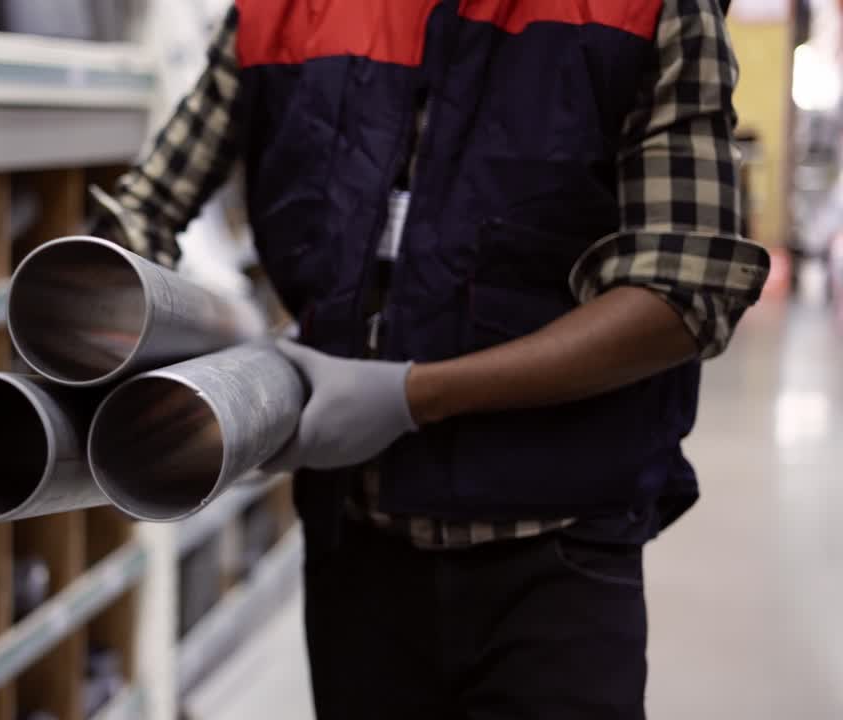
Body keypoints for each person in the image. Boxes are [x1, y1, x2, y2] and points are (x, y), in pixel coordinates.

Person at [92, 1, 769, 717]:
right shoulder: (281, 12)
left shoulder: (643, 9)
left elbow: (682, 292)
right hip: (356, 555)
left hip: (554, 560)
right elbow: (145, 208)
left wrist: (415, 395)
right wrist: (107, 321)